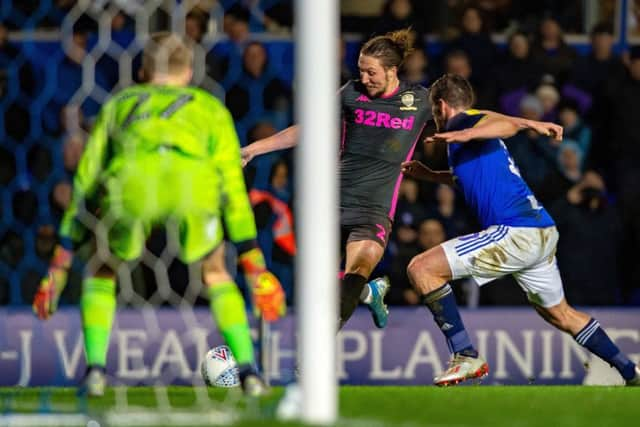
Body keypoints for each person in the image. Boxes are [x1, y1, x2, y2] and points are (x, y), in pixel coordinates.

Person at [240, 28, 563, 330]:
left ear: (392, 70)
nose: (364, 78)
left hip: (375, 210)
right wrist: (254, 149)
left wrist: (527, 123)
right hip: (333, 203)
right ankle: (370, 294)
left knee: (355, 272)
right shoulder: (350, 93)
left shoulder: (419, 101)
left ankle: (313, 362)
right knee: (320, 286)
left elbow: (481, 116)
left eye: (371, 72)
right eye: (361, 70)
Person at [31, 33, 286, 397]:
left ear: (142, 70)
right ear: (189, 72)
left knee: (103, 268)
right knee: (215, 271)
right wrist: (254, 263)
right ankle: (249, 373)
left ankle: (96, 372)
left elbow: (86, 179)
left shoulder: (120, 103)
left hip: (134, 184)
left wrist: (60, 262)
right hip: (192, 186)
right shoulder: (209, 107)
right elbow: (233, 188)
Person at [401, 73, 639, 387]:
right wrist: (430, 175)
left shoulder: (463, 123)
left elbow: (508, 126)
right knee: (561, 315)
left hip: (516, 232)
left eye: (434, 112)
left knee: (422, 269)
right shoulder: (471, 133)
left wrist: (517, 126)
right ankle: (630, 372)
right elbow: (468, 177)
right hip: (541, 231)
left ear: (442, 106)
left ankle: (465, 354)